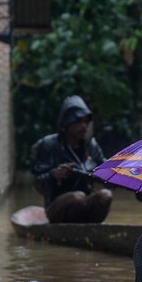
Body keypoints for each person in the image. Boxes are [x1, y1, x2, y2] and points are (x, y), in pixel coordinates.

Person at [30, 95, 113, 223]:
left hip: (86, 201)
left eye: (86, 122)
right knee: (77, 197)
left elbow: (105, 168)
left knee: (106, 195)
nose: (84, 126)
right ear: (66, 124)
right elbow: (38, 183)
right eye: (78, 122)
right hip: (58, 206)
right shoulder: (49, 145)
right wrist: (54, 175)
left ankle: (91, 227)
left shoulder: (91, 146)